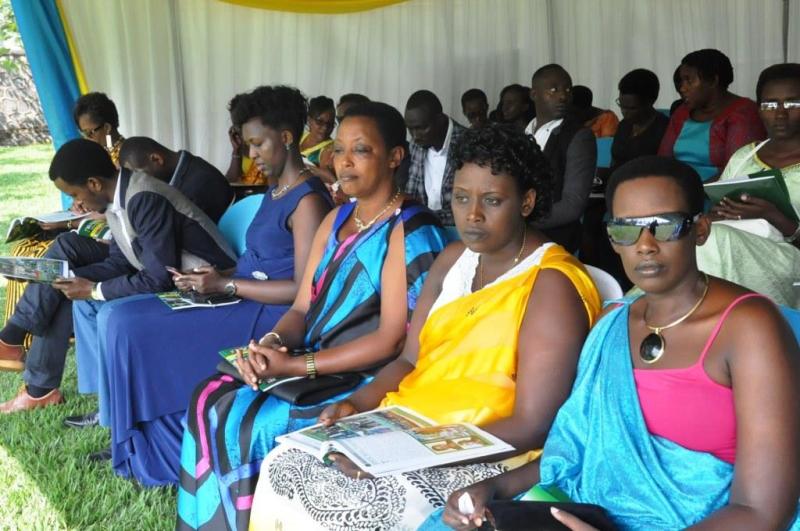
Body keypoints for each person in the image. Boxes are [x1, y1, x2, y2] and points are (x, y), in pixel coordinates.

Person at [246, 123, 601, 530]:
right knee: (283, 465)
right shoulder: (453, 260)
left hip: (487, 450)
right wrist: (357, 405)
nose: (472, 214)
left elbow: (531, 425)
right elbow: (409, 360)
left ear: (527, 202)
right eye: (461, 197)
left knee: (357, 512)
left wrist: (407, 453)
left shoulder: (550, 284)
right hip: (408, 426)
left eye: (492, 200)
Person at [440, 156, 800, 530]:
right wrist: (493, 488)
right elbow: (576, 449)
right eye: (626, 230)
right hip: (594, 511)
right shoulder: (612, 323)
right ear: (612, 238)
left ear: (701, 230)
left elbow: (762, 510)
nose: (645, 245)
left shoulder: (749, 328)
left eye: (665, 226)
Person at [176, 101, 448, 529]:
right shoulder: (336, 218)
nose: (344, 161)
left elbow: (392, 341)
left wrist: (295, 366)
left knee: (252, 423)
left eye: (361, 150)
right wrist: (270, 345)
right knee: (209, 396)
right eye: (338, 150)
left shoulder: (410, 228)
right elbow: (301, 307)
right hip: (313, 361)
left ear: (395, 156)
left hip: (368, 376)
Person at [71, 85, 335, 482]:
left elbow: (303, 290)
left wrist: (226, 286)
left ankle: (158, 451)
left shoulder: (308, 200)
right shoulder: (277, 189)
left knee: (130, 325)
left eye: (257, 144)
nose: (251, 154)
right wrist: (216, 280)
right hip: (241, 295)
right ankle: (135, 439)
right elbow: (258, 264)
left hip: (272, 316)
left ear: (285, 137)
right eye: (247, 144)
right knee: (118, 315)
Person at [0, 139, 236, 413]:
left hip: (205, 289)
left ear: (94, 184)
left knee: (84, 296)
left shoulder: (143, 198)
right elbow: (121, 261)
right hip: (173, 279)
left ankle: (16, 345)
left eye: (75, 195)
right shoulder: (117, 199)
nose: (76, 203)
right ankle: (92, 398)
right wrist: (65, 280)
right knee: (63, 288)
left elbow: (159, 279)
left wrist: (93, 290)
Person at [2, 92, 125, 350]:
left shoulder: (127, 157)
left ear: (107, 127)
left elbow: (118, 210)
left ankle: (15, 336)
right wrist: (81, 202)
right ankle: (16, 337)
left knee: (57, 264)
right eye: (83, 133)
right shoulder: (97, 153)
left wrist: (70, 222)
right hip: (97, 231)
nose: (88, 138)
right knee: (34, 253)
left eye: (91, 132)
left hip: (116, 241)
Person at [698, 63, 800, 307]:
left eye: (793, 104)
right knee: (697, 236)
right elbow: (719, 210)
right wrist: (719, 213)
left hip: (789, 261)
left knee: (715, 240)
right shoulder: (744, 156)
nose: (780, 114)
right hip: (732, 245)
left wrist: (774, 216)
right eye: (770, 105)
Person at [659, 48, 766, 181]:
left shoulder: (744, 113)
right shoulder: (682, 112)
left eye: (689, 81)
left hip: (715, 191)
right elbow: (663, 160)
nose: (682, 88)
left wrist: (691, 190)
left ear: (713, 81)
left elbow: (735, 172)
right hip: (677, 187)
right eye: (682, 81)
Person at [525, 64, 596, 253]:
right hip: (516, 233)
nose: (563, 96)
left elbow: (572, 205)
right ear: (534, 94)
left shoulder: (578, 136)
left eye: (568, 90)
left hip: (553, 238)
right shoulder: (521, 133)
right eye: (553, 90)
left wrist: (521, 221)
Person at [119, 136, 234, 223]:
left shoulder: (197, 185)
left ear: (156, 159)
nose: (139, 183)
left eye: (140, 175)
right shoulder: (188, 170)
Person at [403, 89, 467, 226]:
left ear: (440, 120)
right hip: (423, 227)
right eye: (410, 129)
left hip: (458, 229)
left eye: (421, 128)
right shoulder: (417, 144)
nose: (415, 136)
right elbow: (411, 191)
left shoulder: (467, 144)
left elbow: (467, 205)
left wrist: (423, 217)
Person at [611, 69, 669, 171]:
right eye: (622, 106)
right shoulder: (623, 126)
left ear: (650, 102)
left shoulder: (664, 129)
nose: (624, 112)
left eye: (632, 108)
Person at [225, 93, 268, 186]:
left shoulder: (266, 143)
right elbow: (230, 182)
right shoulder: (241, 145)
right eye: (236, 124)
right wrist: (236, 150)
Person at [299, 95, 336, 167]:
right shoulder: (300, 136)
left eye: (330, 124)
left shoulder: (330, 149)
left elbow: (326, 174)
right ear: (309, 120)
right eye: (320, 122)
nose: (325, 128)